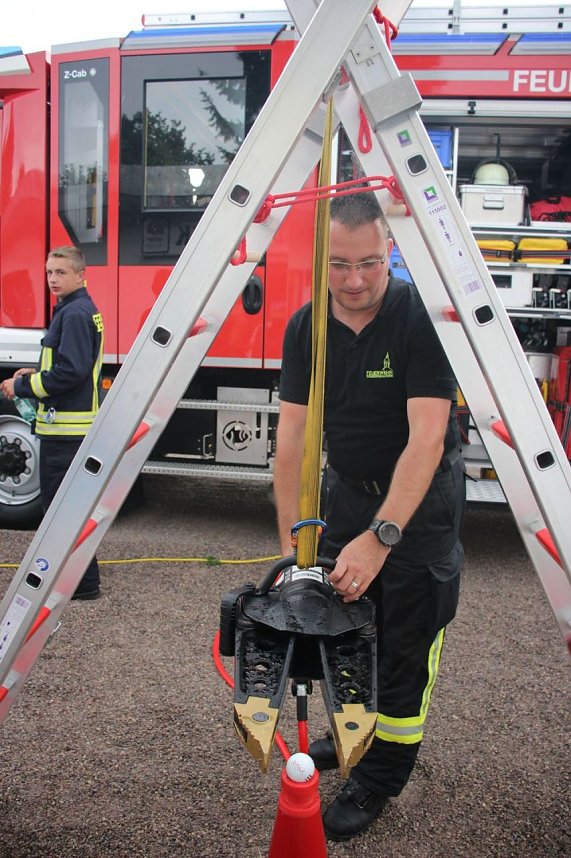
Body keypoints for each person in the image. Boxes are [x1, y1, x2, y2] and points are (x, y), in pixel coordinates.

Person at [274, 191, 465, 841]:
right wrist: (290, 551)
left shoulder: (419, 319)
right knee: (346, 631)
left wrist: (381, 537)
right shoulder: (305, 327)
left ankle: (379, 776)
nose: (355, 281)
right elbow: (293, 440)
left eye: (370, 262)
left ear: (389, 252)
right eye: (339, 264)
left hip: (418, 505)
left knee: (404, 645)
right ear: (319, 259)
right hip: (346, 495)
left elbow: (427, 437)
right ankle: (353, 735)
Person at [1, 246, 104, 600]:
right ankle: (81, 581)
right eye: (49, 273)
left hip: (65, 432)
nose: (53, 279)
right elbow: (70, 366)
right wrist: (38, 373)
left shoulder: (74, 314)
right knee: (69, 512)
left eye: (61, 272)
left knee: (59, 513)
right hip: (69, 429)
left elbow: (72, 372)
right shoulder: (77, 310)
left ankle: (80, 584)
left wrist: (23, 386)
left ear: (80, 275)